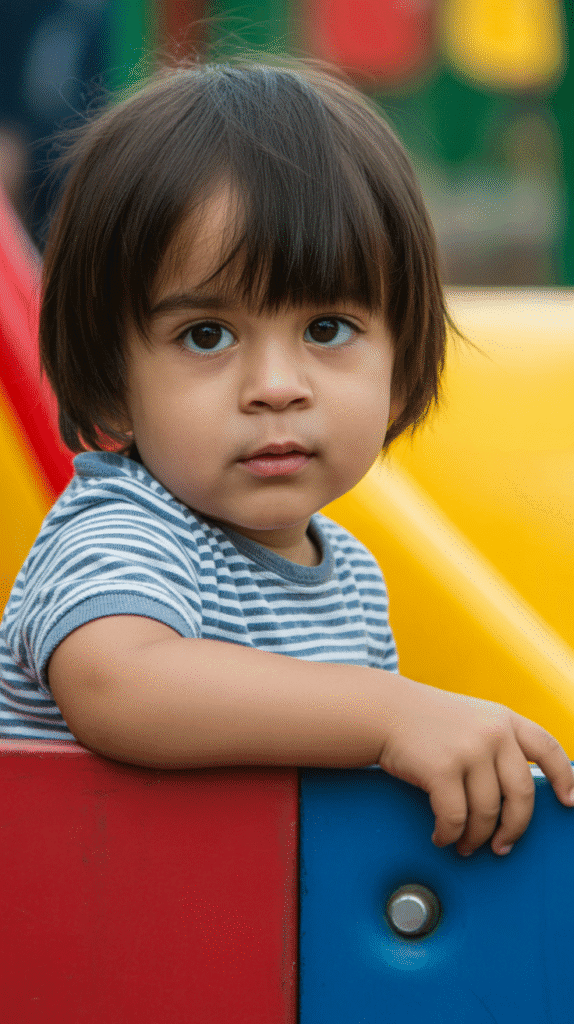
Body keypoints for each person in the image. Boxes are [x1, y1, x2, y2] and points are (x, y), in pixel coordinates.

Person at [1, 56, 573, 859]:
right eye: (207, 336)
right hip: (76, 954)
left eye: (327, 328)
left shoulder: (349, 578)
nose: (275, 387)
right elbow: (115, 684)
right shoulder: (124, 529)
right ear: (110, 387)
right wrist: (390, 712)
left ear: (403, 367)